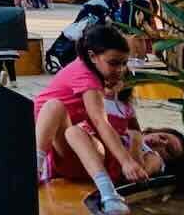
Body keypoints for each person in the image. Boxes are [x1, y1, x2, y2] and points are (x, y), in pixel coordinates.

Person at [34, 25, 151, 214]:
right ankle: (37, 165)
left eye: (123, 63)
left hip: (79, 143)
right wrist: (126, 161)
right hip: (59, 143)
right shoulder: (86, 76)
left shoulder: (92, 73)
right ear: (93, 56)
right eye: (113, 63)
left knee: (73, 130)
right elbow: (100, 121)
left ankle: (108, 193)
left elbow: (131, 128)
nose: (120, 70)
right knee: (53, 106)